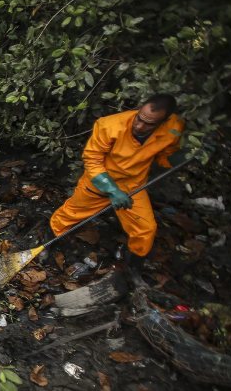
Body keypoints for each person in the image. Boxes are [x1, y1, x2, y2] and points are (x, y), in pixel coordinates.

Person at [49, 94, 187, 264]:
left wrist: (188, 155)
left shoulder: (174, 128)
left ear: (163, 122)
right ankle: (51, 244)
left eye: (148, 124)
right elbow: (92, 159)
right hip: (100, 182)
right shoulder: (110, 126)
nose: (139, 125)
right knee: (69, 215)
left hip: (133, 186)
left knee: (146, 229)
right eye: (139, 118)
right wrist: (112, 190)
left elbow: (167, 155)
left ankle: (133, 263)